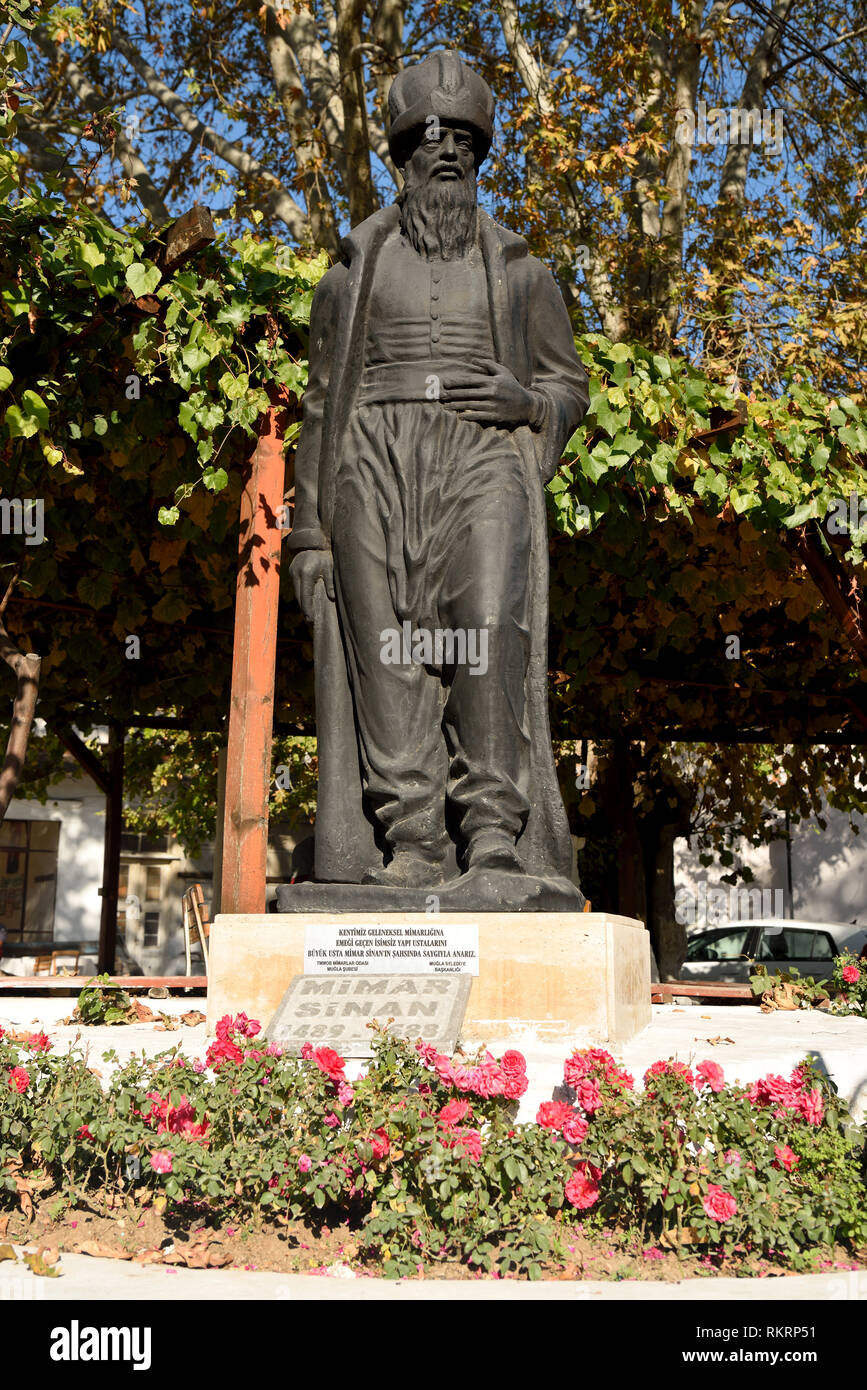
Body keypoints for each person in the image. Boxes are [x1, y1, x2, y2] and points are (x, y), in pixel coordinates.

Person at [288, 51, 588, 893]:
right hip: (370, 463)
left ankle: (491, 833)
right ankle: (412, 838)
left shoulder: (523, 271)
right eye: (429, 136)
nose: (446, 149)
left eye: (463, 137)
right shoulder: (352, 273)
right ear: (402, 154)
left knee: (489, 630)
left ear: (480, 154)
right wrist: (308, 533)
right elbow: (320, 403)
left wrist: (527, 404)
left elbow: (569, 385)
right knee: (385, 651)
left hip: (480, 457)